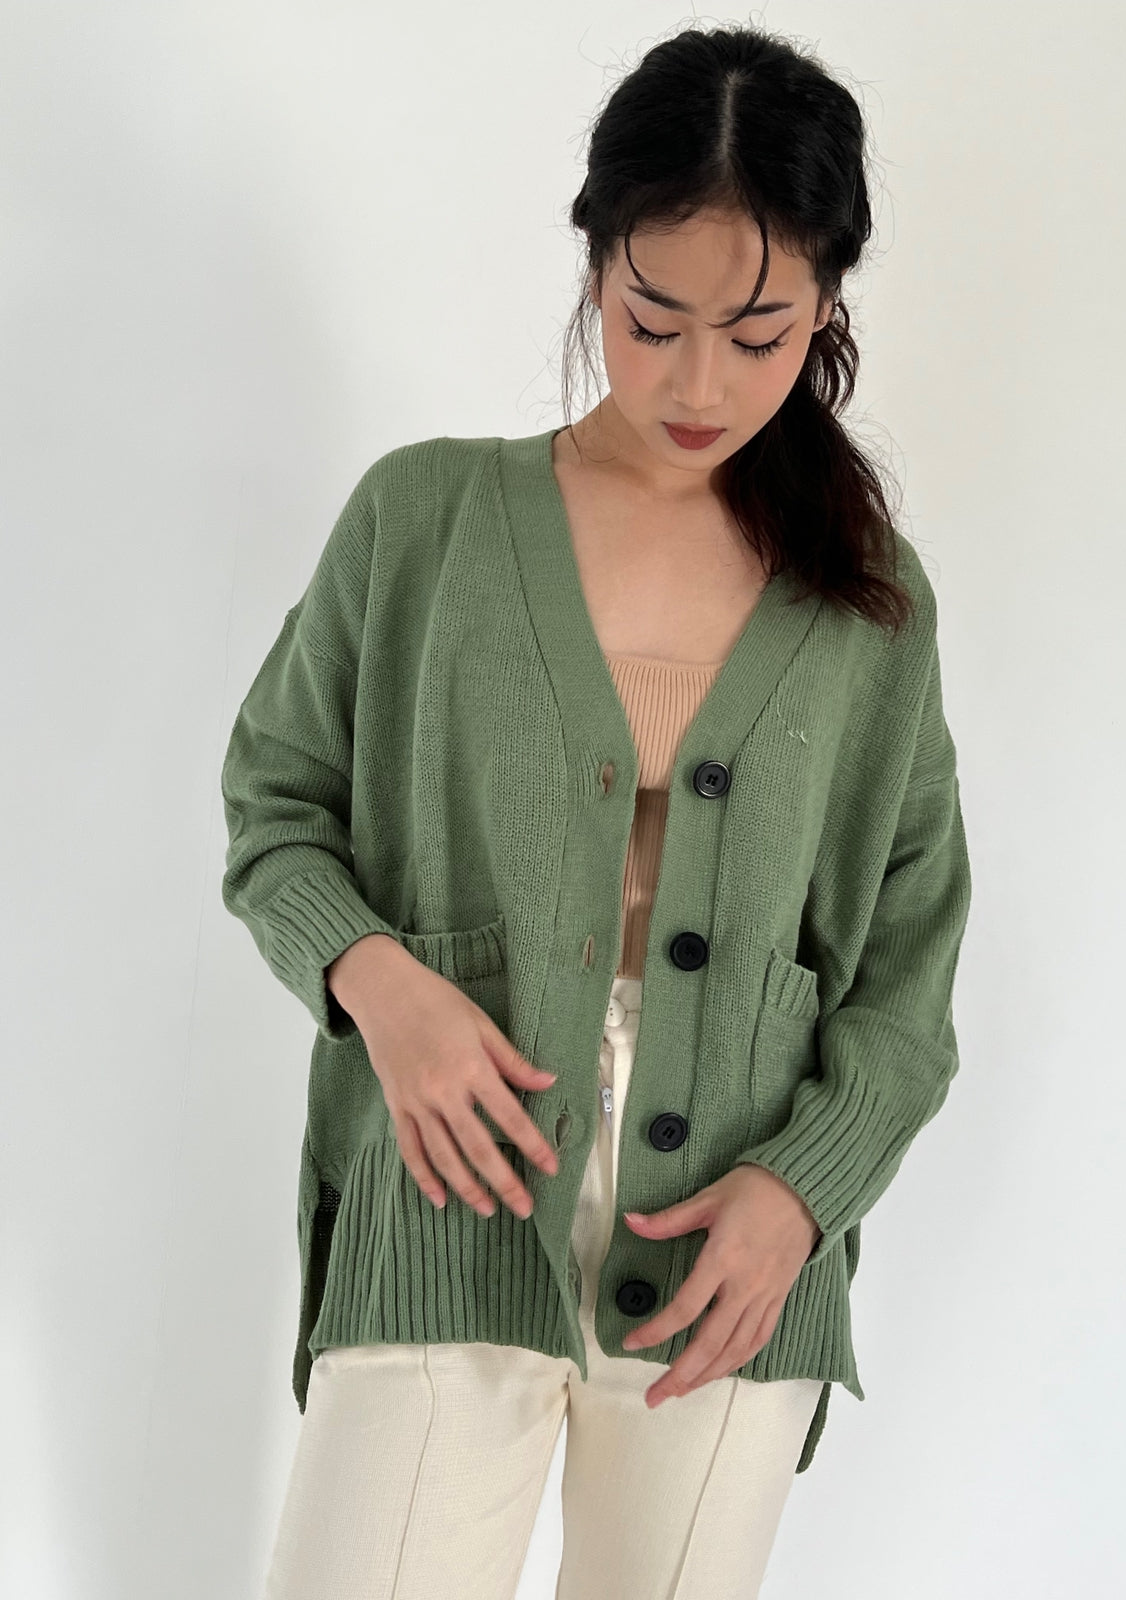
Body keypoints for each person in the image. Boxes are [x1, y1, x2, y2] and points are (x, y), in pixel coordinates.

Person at [221, 23, 972, 1600]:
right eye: (653, 320)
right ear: (595, 265)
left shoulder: (869, 600)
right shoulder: (424, 520)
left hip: (728, 1255)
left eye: (758, 335)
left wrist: (803, 1194)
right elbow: (276, 807)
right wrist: (384, 989)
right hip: (450, 1189)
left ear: (828, 305)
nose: (699, 382)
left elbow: (910, 979)